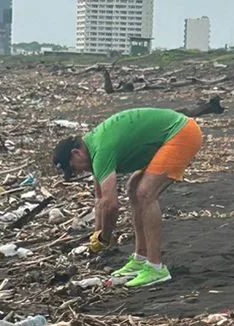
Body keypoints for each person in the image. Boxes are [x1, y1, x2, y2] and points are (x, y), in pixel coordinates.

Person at [52, 107, 203, 288]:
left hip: (181, 132)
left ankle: (156, 268)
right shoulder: (93, 148)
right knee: (133, 188)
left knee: (145, 193)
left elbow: (111, 205)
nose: (78, 172)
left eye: (74, 168)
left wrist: (105, 238)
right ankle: (141, 258)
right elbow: (100, 199)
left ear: (76, 154)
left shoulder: (100, 150)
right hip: (169, 135)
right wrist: (97, 235)